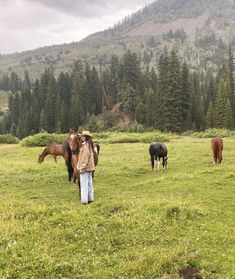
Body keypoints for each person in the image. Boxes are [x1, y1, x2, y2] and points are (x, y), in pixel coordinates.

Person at [76, 130, 96, 205]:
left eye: (84, 136)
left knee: (84, 185)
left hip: (85, 169)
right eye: (82, 136)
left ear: (86, 137)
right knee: (89, 183)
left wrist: (82, 168)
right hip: (90, 168)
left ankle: (84, 201)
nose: (82, 137)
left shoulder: (85, 146)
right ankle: (90, 199)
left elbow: (84, 159)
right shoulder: (89, 145)